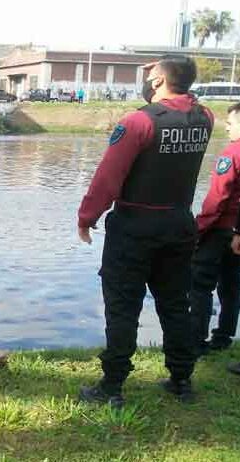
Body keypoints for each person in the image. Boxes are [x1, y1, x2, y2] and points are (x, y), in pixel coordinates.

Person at [77, 56, 213, 407]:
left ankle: (112, 386)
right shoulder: (205, 117)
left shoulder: (139, 121)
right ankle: (182, 380)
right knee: (174, 304)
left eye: (150, 75)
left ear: (158, 83)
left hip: (135, 226)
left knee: (122, 306)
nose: (147, 80)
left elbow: (109, 176)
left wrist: (87, 216)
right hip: (180, 224)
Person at [189, 103, 240, 357]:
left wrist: (198, 228)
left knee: (200, 285)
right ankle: (224, 335)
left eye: (231, 123)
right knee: (232, 286)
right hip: (237, 232)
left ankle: (196, 340)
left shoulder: (231, 154)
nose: (227, 127)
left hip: (219, 230)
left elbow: (218, 198)